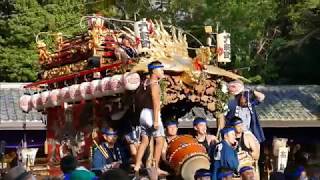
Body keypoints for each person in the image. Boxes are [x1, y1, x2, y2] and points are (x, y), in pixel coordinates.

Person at [134, 61, 167, 175]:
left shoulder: (145, 83)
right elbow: (156, 103)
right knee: (160, 140)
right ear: (154, 71)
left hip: (143, 114)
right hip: (151, 114)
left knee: (145, 140)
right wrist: (156, 120)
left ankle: (137, 165)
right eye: (160, 69)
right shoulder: (154, 84)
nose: (163, 71)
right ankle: (155, 167)